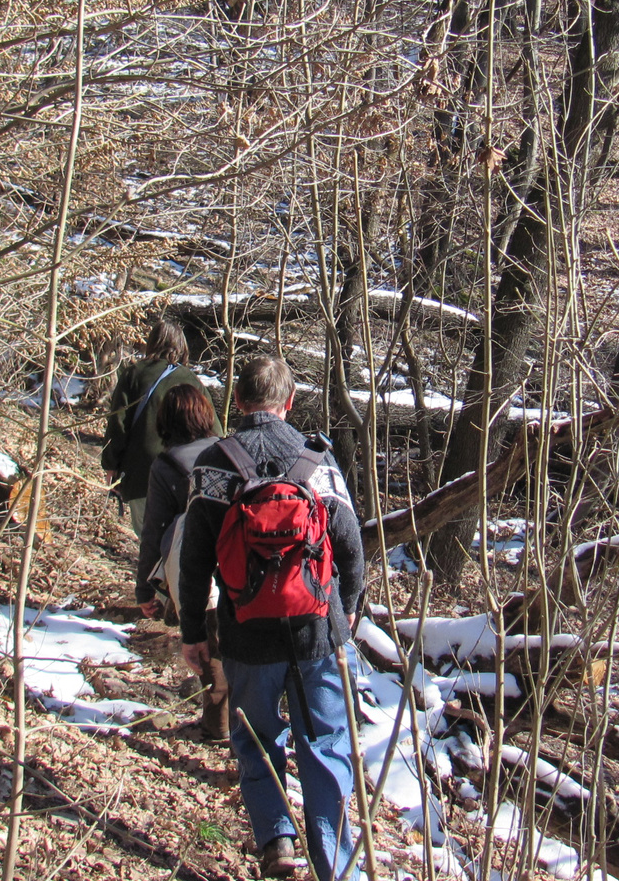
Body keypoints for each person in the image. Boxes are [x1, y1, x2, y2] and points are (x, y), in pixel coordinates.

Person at [178, 355, 366, 881]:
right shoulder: (318, 461)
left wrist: (194, 632)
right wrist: (344, 616)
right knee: (325, 744)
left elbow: (194, 560)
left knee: (257, 738)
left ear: (237, 403)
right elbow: (350, 548)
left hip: (245, 633)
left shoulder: (214, 464)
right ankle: (335, 864)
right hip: (316, 633)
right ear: (288, 403)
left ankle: (278, 844)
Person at [134, 383, 229, 739]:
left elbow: (153, 529)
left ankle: (217, 727)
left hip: (196, 568)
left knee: (209, 643)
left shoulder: (166, 465)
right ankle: (243, 728)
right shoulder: (227, 450)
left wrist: (145, 588)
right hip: (239, 563)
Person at [101, 318, 216, 534]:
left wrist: (110, 465)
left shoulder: (133, 374)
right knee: (177, 548)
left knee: (149, 546)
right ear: (181, 347)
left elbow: (118, 424)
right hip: (185, 476)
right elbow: (214, 432)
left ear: (152, 342)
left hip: (141, 474)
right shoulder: (192, 381)